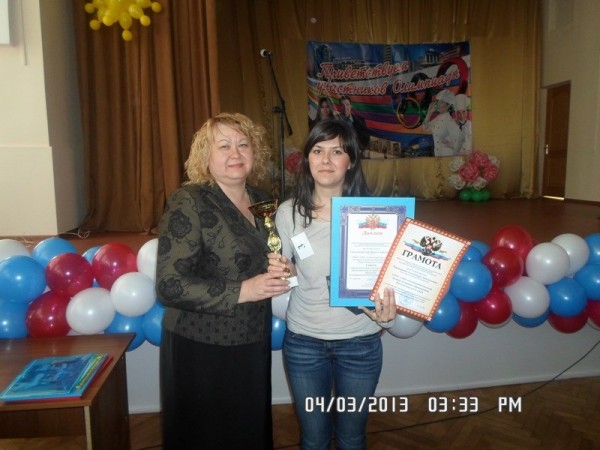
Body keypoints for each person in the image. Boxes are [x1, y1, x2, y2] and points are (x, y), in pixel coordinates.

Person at [156, 112, 291, 450]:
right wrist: (244, 290)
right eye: (224, 146)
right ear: (206, 156)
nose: (235, 153)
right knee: (207, 436)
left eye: (243, 145)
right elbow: (169, 284)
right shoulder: (189, 200)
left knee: (247, 431)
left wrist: (280, 266)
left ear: (255, 152)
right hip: (201, 346)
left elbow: (261, 255)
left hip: (251, 338)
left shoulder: (262, 199)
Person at [268, 119, 397, 450]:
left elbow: (391, 278)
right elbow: (290, 273)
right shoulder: (287, 213)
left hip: (360, 344)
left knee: (352, 438)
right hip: (304, 344)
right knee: (314, 438)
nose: (325, 160)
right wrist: (281, 271)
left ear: (350, 160)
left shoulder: (378, 216)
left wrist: (388, 313)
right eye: (318, 151)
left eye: (336, 152)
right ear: (307, 159)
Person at [422, 89, 463, 157]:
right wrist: (429, 113)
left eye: (441, 102)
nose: (438, 104)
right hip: (438, 155)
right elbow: (425, 127)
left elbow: (461, 140)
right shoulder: (438, 118)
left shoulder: (450, 121)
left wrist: (453, 145)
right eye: (438, 102)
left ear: (448, 105)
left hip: (447, 156)